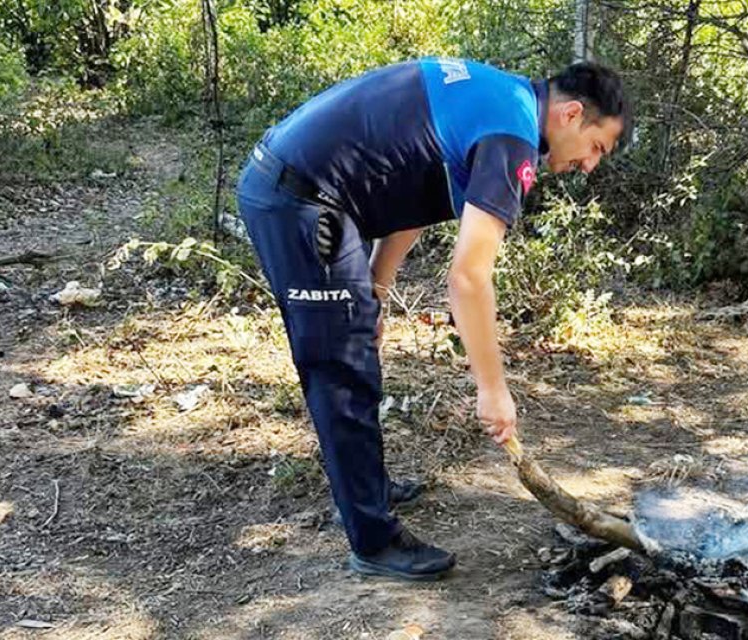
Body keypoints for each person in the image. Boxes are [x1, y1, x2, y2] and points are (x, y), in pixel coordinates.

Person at [235, 57, 629, 581]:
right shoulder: (510, 134)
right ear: (572, 114)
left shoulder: (504, 100)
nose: (589, 165)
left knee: (353, 342)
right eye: (596, 146)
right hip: (299, 198)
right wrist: (492, 390)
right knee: (342, 367)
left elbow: (417, 191)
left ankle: (364, 490)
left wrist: (375, 287)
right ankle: (372, 538)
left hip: (319, 194)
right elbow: (468, 277)